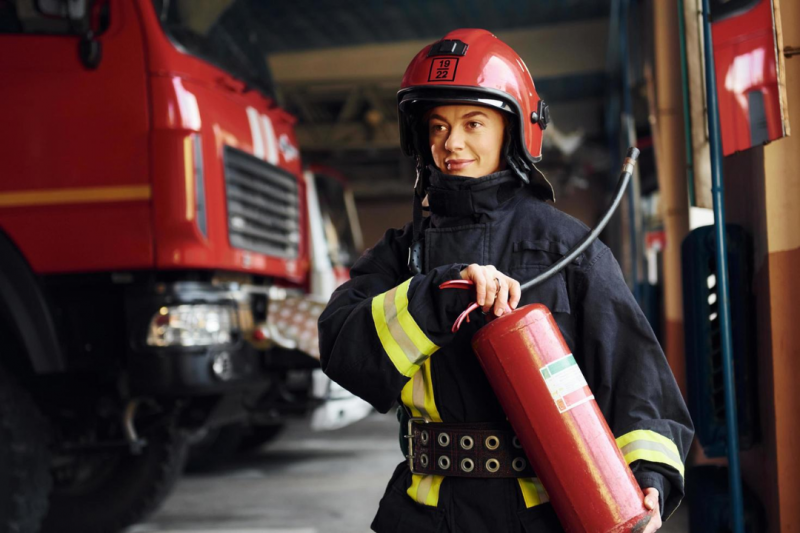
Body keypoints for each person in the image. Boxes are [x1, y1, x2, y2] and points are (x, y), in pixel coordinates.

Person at [318, 28, 693, 533]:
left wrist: (649, 477)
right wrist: (437, 296)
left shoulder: (570, 249)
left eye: (474, 122)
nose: (451, 143)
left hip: (541, 518)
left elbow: (636, 382)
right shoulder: (401, 254)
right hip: (422, 517)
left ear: (513, 129)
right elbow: (342, 348)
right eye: (437, 126)